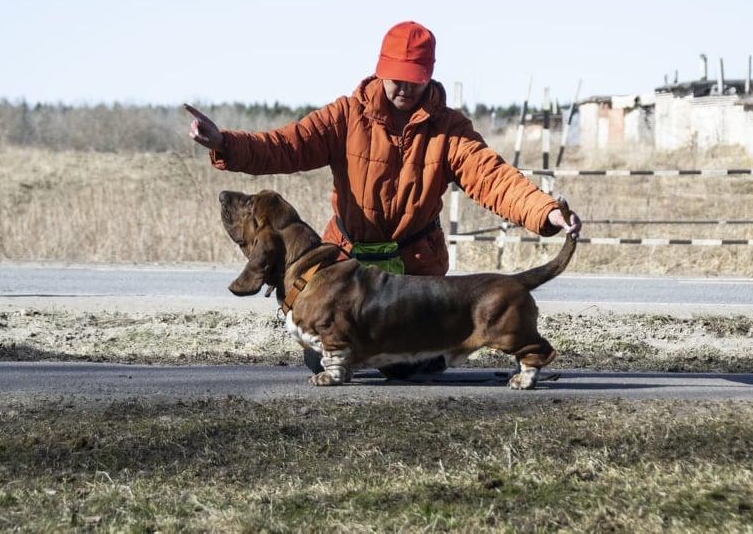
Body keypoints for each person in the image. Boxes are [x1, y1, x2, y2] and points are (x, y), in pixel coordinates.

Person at [186, 20, 582, 377]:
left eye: (414, 79)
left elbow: (494, 179)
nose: (403, 87)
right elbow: (284, 146)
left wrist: (546, 213)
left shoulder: (450, 129)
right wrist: (226, 143)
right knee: (322, 350)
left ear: (429, 76)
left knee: (415, 370)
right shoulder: (343, 116)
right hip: (343, 271)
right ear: (380, 69)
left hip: (415, 272)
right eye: (395, 77)